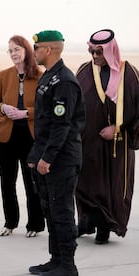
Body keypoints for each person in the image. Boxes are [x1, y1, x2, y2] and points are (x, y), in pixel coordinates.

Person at [27, 30, 85, 276]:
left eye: (36, 48)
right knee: (50, 210)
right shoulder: (49, 77)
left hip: (61, 160)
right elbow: (45, 123)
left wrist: (47, 158)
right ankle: (56, 259)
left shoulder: (64, 81)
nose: (34, 52)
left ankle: (68, 266)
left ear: (48, 50)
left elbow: (62, 126)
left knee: (61, 211)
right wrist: (35, 155)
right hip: (47, 156)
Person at [75, 29, 139, 245]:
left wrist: (118, 129)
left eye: (99, 53)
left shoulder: (129, 74)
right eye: (91, 51)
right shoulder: (84, 71)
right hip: (88, 142)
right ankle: (85, 222)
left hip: (117, 145)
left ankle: (105, 226)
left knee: (111, 186)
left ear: (111, 51)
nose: (94, 57)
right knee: (85, 182)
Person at [0, 35, 45, 238]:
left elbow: (44, 108)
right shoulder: (2, 76)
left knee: (32, 182)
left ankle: (35, 224)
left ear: (27, 51)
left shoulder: (40, 75)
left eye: (17, 49)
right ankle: (10, 222)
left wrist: (26, 113)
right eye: (10, 50)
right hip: (5, 138)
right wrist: (3, 108)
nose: (13, 53)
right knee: (7, 181)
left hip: (30, 137)